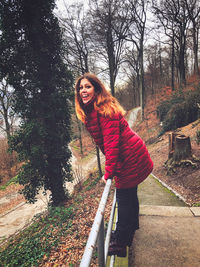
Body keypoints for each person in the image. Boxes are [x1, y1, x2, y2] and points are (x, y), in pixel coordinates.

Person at [75, 73, 153, 257]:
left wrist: (108, 172)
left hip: (130, 156)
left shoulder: (103, 110)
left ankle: (120, 242)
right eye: (80, 88)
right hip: (127, 155)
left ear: (96, 88)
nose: (83, 91)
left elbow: (111, 144)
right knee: (129, 194)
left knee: (124, 197)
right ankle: (130, 229)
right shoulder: (92, 111)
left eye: (87, 87)